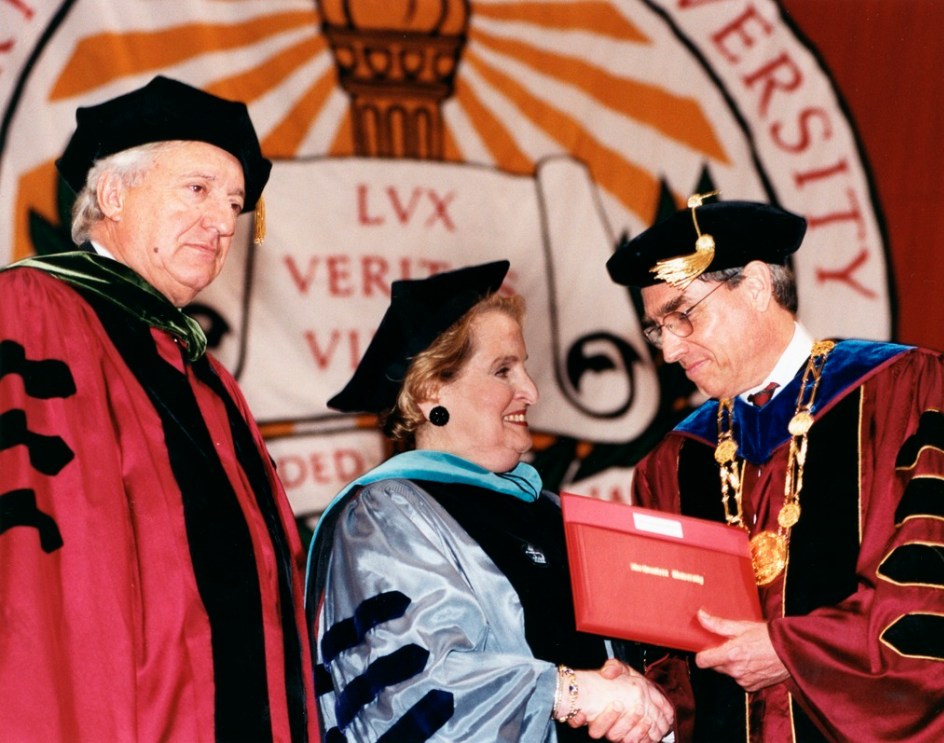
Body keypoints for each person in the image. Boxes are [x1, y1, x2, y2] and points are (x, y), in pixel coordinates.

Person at [603, 195, 944, 742]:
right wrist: (648, 698)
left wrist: (795, 652)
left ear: (758, 286)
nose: (669, 350)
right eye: (656, 329)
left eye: (683, 316)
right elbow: (672, 658)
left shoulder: (906, 396)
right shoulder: (672, 462)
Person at [0, 76, 318, 741]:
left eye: (233, 203)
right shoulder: (33, 312)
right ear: (114, 193)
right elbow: (33, 576)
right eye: (196, 190)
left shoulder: (209, 378)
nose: (220, 222)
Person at [306, 260, 675, 743]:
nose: (532, 391)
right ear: (429, 390)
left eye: (524, 366)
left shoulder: (553, 514)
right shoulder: (386, 516)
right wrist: (567, 692)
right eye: (503, 370)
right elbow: (410, 693)